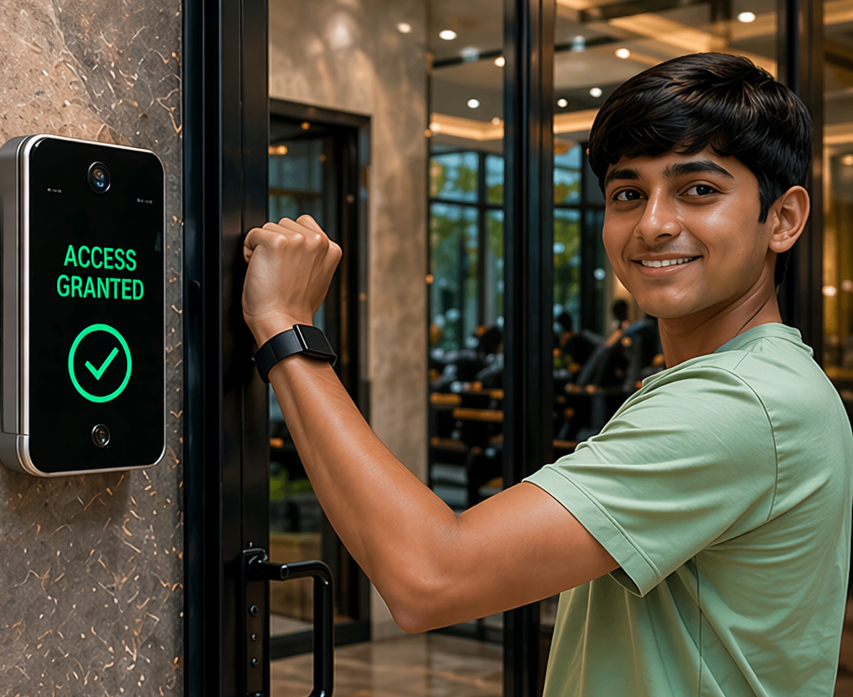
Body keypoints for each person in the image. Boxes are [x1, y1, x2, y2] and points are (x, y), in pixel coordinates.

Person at [242, 52, 853, 696]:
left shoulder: (738, 402)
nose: (653, 224)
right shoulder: (771, 379)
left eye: (699, 189)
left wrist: (286, 323)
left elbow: (429, 576)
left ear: (783, 218)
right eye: (628, 194)